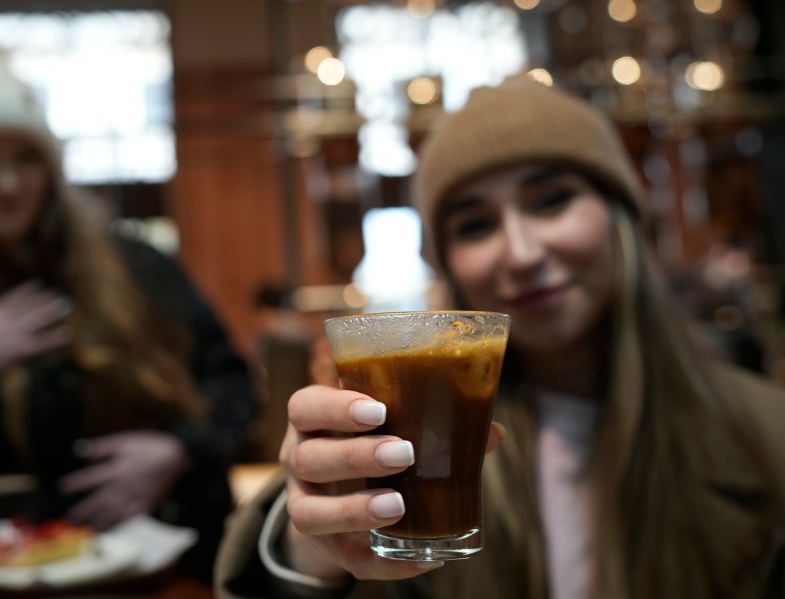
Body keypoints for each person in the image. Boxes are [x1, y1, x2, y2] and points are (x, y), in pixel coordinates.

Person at [214, 75, 785, 598]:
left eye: (552, 200)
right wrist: (311, 555)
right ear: (451, 266)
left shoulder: (767, 437)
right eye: (476, 225)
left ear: (620, 216)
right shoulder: (417, 446)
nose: (522, 253)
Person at [0, 23, 257, 583]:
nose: (8, 184)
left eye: (25, 158)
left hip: (168, 572)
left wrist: (175, 450)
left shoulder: (134, 266)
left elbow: (233, 383)